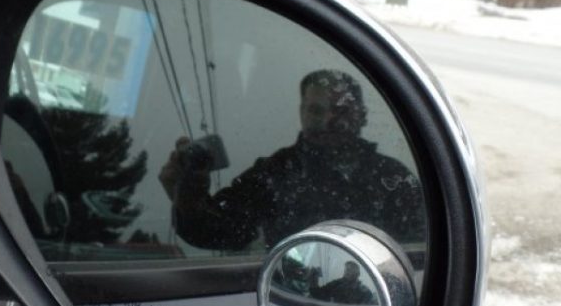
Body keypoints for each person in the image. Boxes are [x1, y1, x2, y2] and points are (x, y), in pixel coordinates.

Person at [158, 69, 425, 251]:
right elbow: (218, 232)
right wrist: (189, 192)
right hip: (287, 299)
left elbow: (423, 249)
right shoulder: (275, 172)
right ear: (301, 112)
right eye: (316, 110)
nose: (328, 120)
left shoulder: (393, 178)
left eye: (341, 111)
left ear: (361, 116)